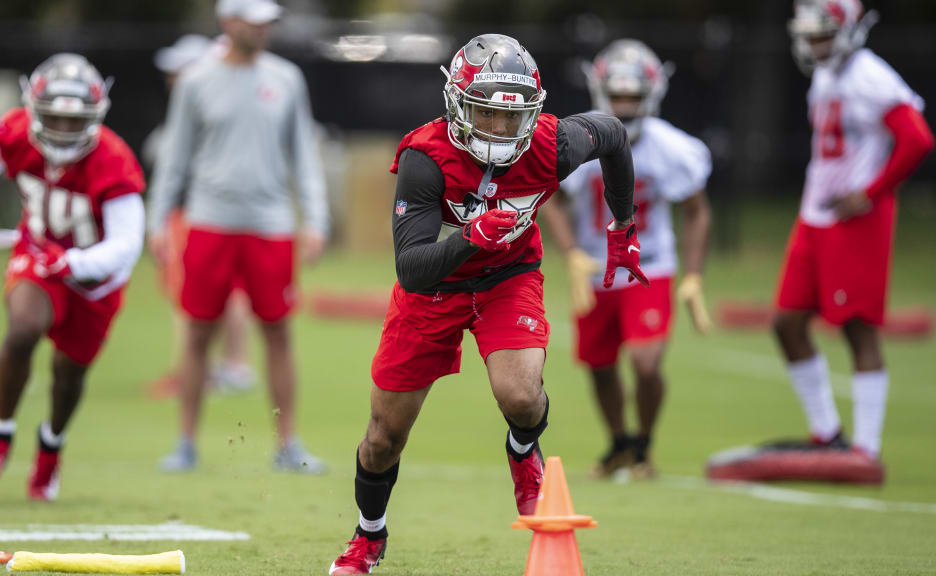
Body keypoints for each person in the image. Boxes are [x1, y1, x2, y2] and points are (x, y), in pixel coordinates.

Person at [328, 33, 647, 575]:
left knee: (522, 396)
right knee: (383, 439)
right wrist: (470, 237)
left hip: (508, 277)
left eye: (513, 116)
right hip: (433, 289)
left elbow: (614, 136)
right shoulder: (425, 158)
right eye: (487, 114)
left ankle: (524, 449)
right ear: (457, 104)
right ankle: (369, 535)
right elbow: (410, 266)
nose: (501, 130)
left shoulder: (552, 142)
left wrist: (623, 221)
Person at [147, 0, 329, 473]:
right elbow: (175, 158)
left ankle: (288, 444)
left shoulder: (286, 78)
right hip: (209, 222)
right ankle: (185, 443)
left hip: (271, 225)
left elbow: (304, 155)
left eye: (268, 20)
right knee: (197, 332)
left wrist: (315, 219)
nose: (263, 28)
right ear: (228, 22)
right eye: (253, 20)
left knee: (279, 331)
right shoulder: (195, 82)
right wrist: (158, 222)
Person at [0, 53, 146, 500]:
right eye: (53, 118)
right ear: (34, 111)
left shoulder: (115, 160)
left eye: (74, 120)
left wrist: (75, 265)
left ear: (94, 117)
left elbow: (127, 244)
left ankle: (50, 449)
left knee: (68, 373)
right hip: (38, 252)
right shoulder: (14, 130)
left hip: (94, 279)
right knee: (22, 328)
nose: (63, 129)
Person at [772, 0, 932, 480]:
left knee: (858, 326)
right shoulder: (826, 73)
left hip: (856, 219)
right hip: (816, 213)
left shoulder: (871, 76)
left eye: (823, 34)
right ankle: (827, 433)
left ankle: (865, 447)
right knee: (786, 322)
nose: (814, 43)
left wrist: (873, 192)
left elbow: (917, 139)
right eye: (810, 34)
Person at [541, 39, 713, 479]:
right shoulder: (581, 141)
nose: (624, 104)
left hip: (647, 266)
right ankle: (619, 444)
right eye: (617, 95)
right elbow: (552, 201)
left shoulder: (672, 148)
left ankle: (643, 444)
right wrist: (573, 253)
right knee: (599, 366)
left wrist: (693, 275)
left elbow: (697, 211)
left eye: (633, 97)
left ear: (651, 96)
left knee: (646, 362)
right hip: (596, 269)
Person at [145, 34, 256, 399]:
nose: (171, 79)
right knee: (229, 291)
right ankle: (231, 367)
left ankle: (195, 371)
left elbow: (175, 162)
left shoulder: (201, 105)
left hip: (196, 213)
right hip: (217, 212)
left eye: (178, 70)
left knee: (187, 292)